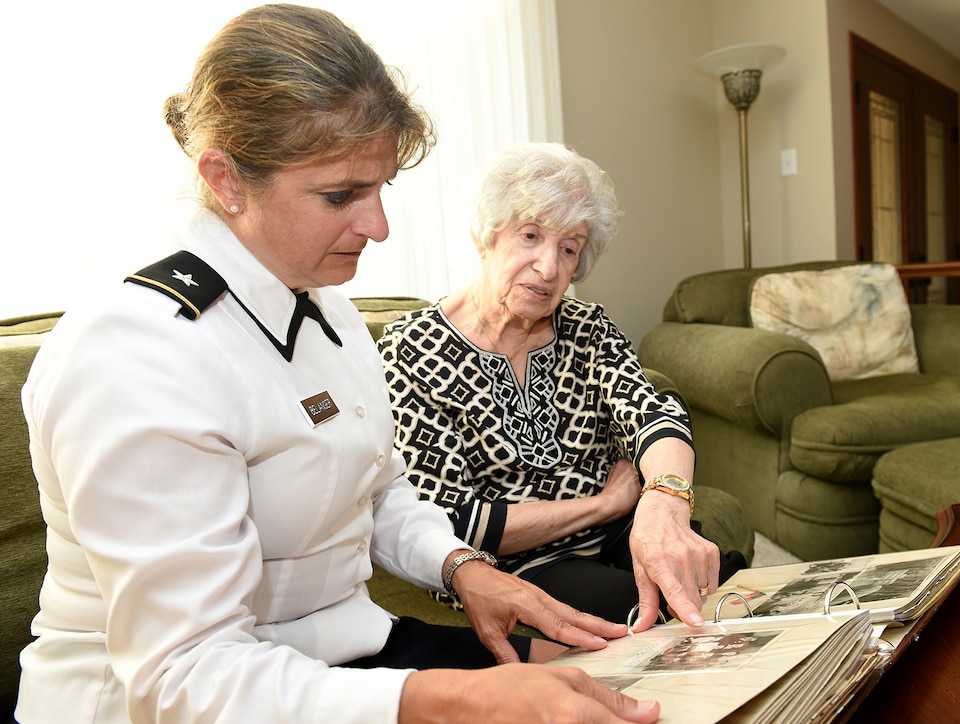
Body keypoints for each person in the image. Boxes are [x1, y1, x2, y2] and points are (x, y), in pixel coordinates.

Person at [14, 6, 662, 723]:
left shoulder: (328, 309)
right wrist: (456, 699)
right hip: (183, 698)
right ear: (225, 179)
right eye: (341, 195)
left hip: (339, 648)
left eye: (380, 187)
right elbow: (183, 680)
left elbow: (380, 491)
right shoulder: (137, 357)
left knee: (615, 685)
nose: (378, 226)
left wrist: (465, 569)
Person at [378, 142, 746, 631]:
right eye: (530, 235)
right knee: (665, 620)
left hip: (622, 532)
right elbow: (454, 521)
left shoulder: (586, 326)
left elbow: (654, 412)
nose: (549, 268)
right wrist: (605, 503)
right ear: (488, 234)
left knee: (729, 589)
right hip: (520, 564)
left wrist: (664, 496)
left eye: (568, 249)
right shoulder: (412, 350)